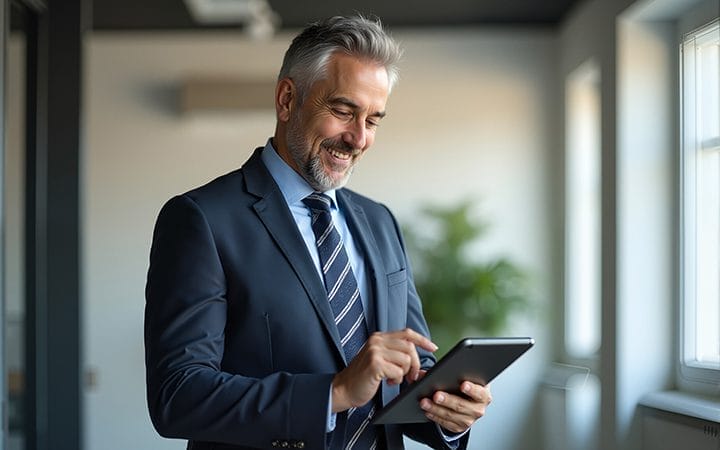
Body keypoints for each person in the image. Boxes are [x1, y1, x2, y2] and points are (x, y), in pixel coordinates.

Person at [144, 15, 492, 450]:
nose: (358, 138)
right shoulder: (201, 219)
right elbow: (178, 395)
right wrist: (335, 393)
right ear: (288, 99)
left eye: (374, 120)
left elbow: (407, 370)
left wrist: (448, 413)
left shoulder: (379, 221)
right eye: (344, 111)